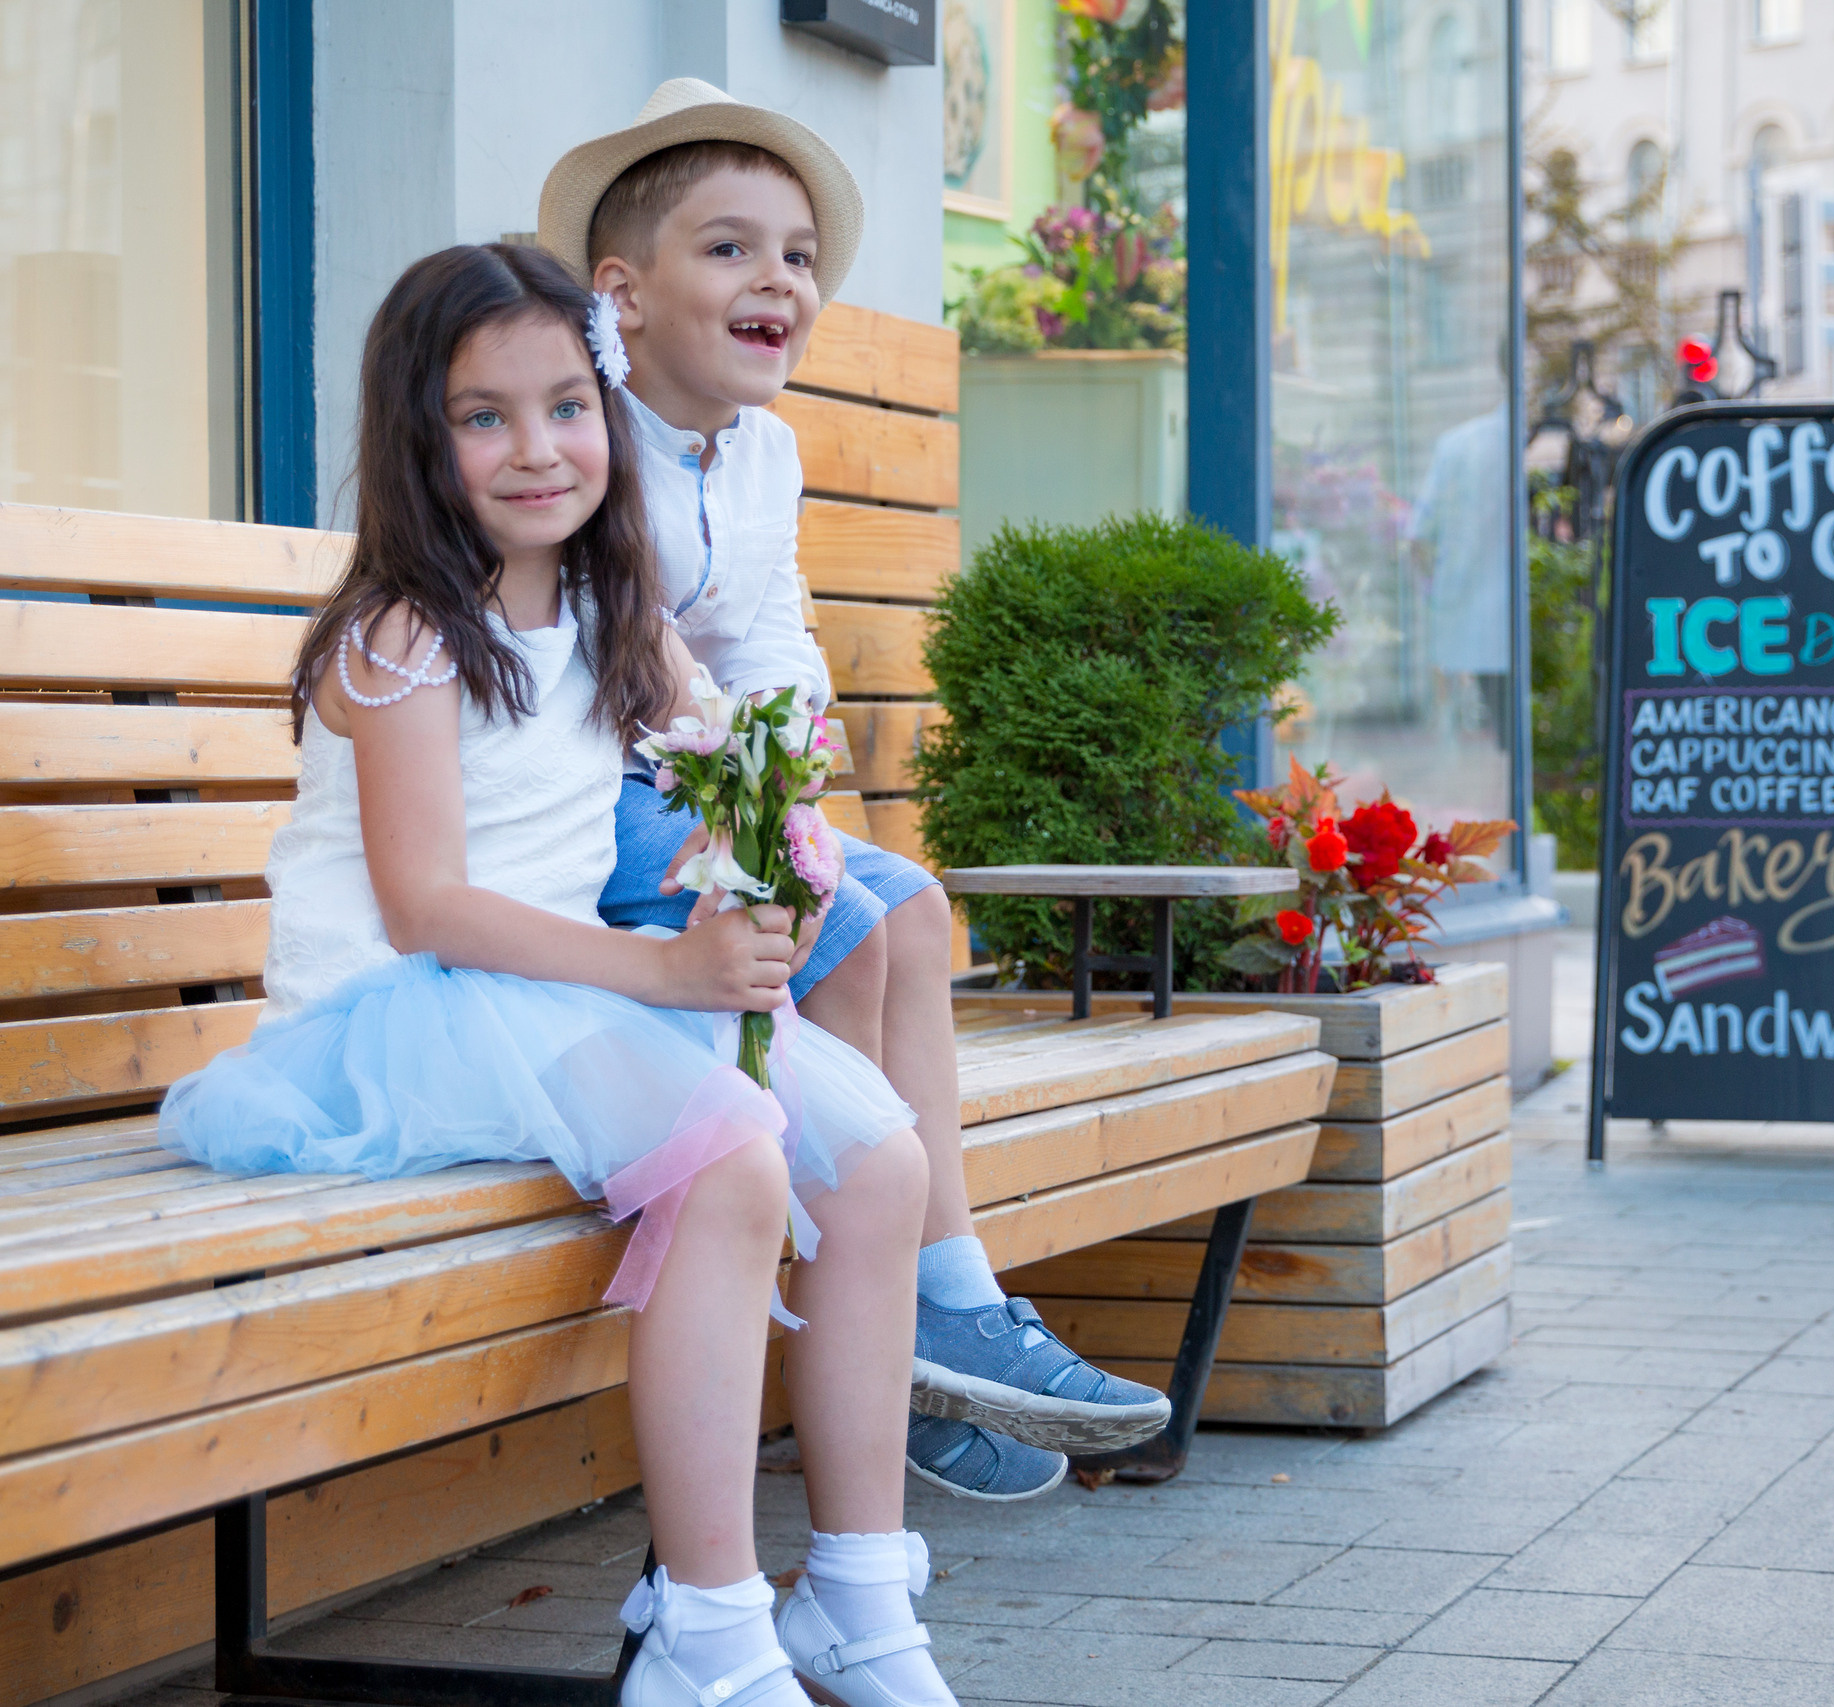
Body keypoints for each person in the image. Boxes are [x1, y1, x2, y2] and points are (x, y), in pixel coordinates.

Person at [161, 243, 958, 1707]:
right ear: (420, 438)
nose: (537, 450)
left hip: (561, 993)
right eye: (483, 417)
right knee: (730, 1162)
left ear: (610, 406)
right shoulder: (401, 638)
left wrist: (783, 856)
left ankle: (856, 1591)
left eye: (566, 406)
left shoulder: (618, 619)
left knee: (884, 1165)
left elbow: (735, 769)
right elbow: (427, 911)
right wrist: (663, 976)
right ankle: (707, 1626)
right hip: (395, 1015)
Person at [538, 80, 1170, 1502]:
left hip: (700, 787)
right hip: (596, 808)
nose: (780, 280)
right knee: (848, 920)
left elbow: (773, 624)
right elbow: (617, 650)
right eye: (732, 249)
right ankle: (893, 1333)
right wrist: (738, 761)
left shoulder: (765, 452)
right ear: (622, 295)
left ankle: (948, 1293)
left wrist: (785, 726)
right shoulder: (576, 438)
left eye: (802, 255)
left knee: (914, 905)